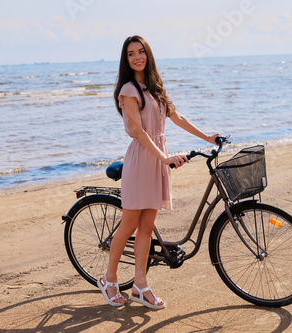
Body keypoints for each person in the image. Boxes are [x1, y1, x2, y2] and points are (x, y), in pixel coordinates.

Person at [97, 36, 220, 310]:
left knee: (147, 227)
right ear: (126, 60)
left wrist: (207, 137)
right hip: (144, 158)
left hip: (157, 159)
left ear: (148, 55)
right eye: (131, 54)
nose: (137, 57)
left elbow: (177, 117)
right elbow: (139, 132)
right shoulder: (129, 90)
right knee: (129, 225)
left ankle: (140, 285)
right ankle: (109, 279)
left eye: (141, 52)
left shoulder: (154, 87)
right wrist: (164, 157)